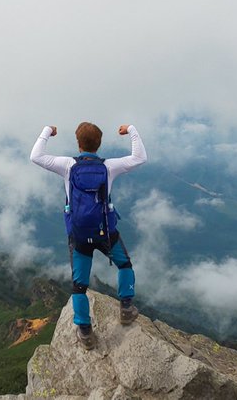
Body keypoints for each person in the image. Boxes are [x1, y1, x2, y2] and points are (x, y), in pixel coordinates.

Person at [30, 122, 147, 350]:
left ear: (78, 143)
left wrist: (47, 131)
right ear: (99, 144)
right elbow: (139, 157)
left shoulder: (67, 166)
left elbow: (36, 156)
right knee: (124, 264)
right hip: (106, 233)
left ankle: (85, 331)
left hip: (79, 235)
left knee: (79, 285)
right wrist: (132, 130)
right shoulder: (109, 167)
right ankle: (126, 307)